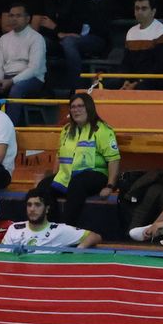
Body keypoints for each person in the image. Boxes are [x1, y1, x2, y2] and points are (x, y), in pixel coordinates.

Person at [32, 93, 120, 228]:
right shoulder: (67, 130)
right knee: (44, 187)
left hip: (96, 175)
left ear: (89, 108)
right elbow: (59, 156)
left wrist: (109, 186)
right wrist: (54, 176)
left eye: (80, 106)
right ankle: (52, 226)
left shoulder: (101, 129)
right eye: (72, 107)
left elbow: (114, 159)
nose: (75, 110)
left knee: (77, 184)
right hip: (68, 176)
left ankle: (68, 228)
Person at [2, 191, 99, 250]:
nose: (32, 209)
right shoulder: (14, 229)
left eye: (37, 205)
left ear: (47, 209)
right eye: (29, 205)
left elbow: (95, 236)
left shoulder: (59, 230)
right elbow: (2, 258)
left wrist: (79, 250)